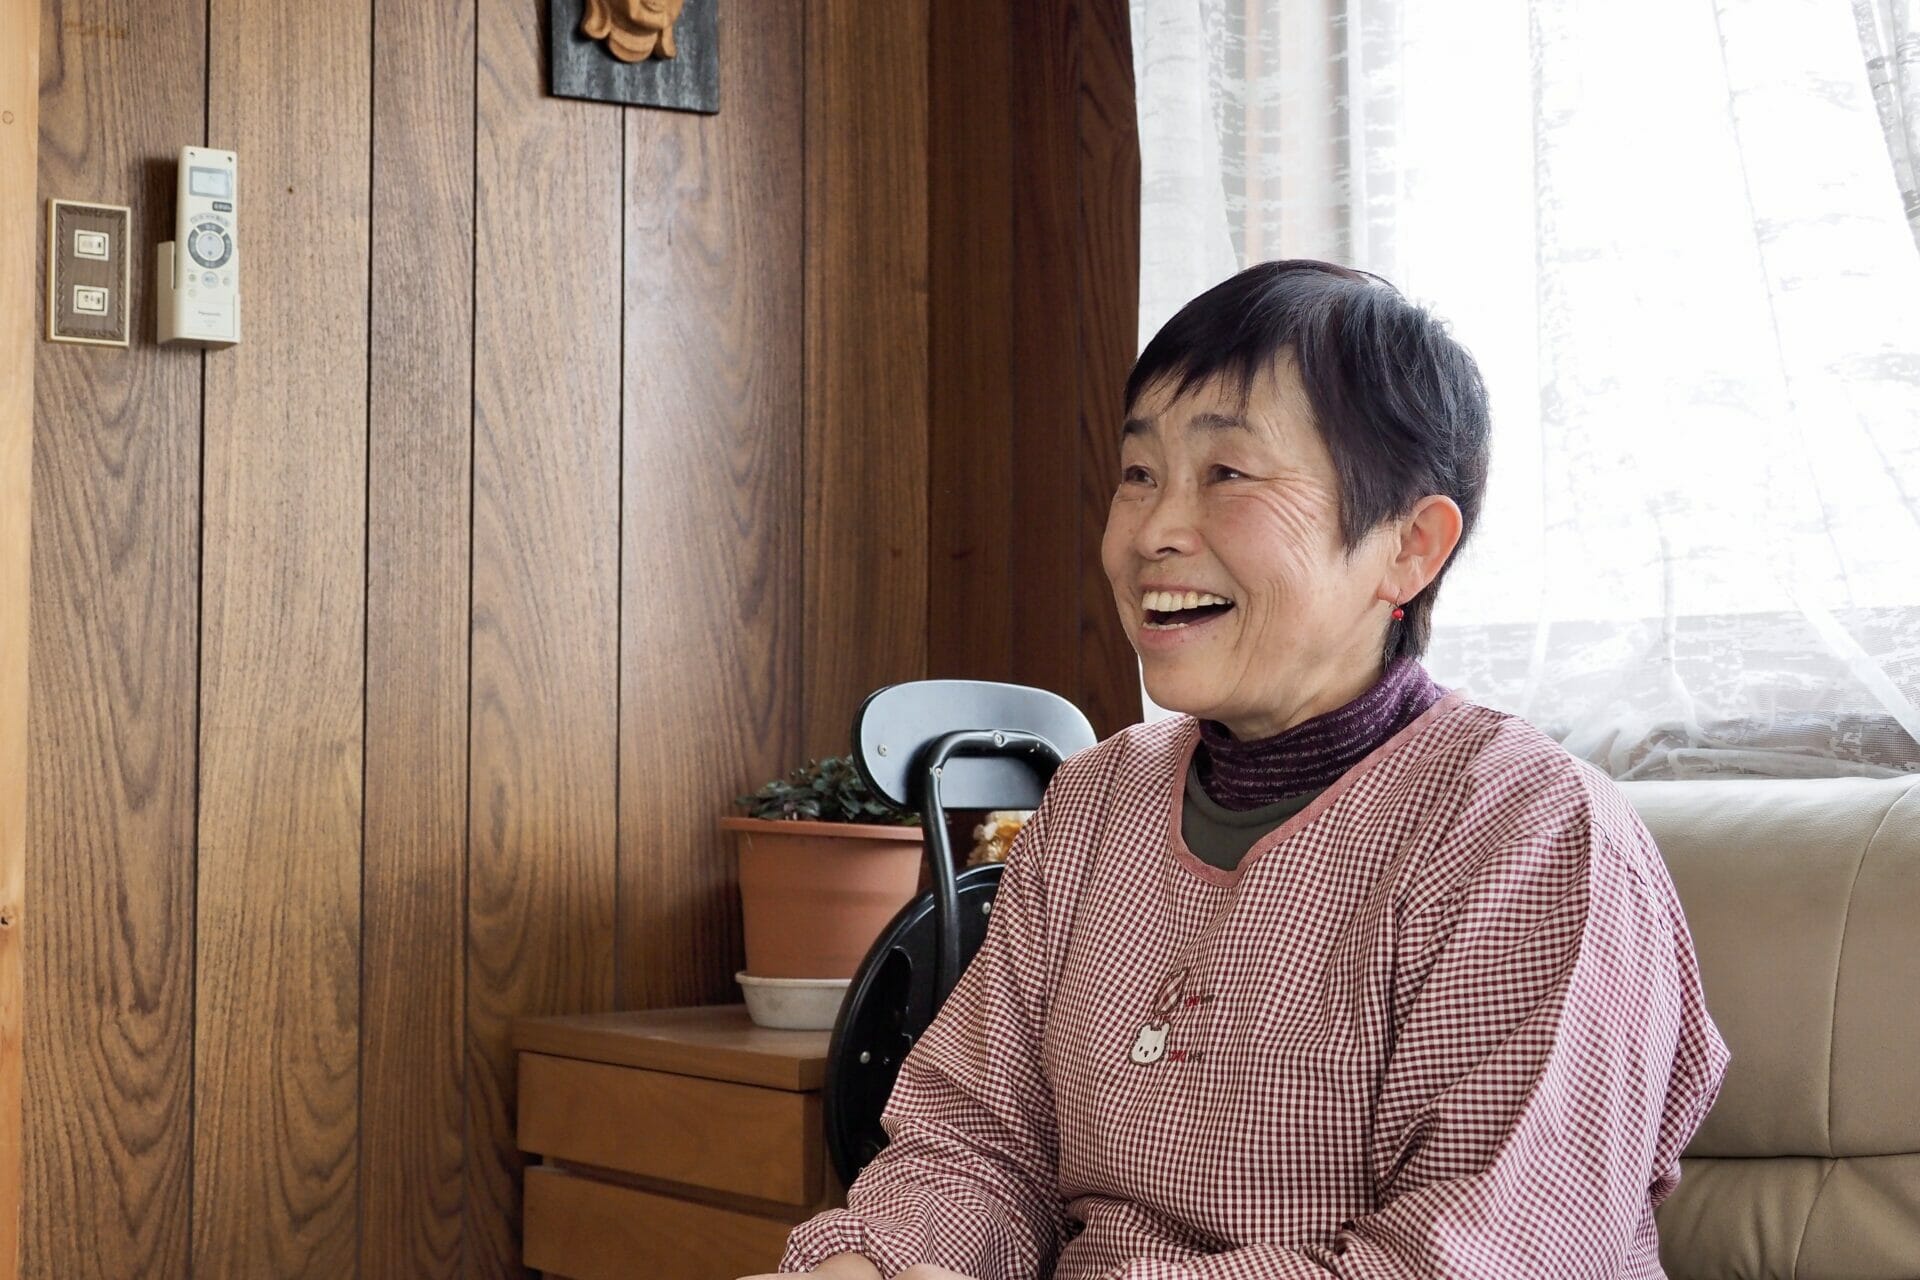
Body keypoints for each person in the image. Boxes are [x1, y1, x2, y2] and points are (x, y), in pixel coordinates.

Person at [745, 260, 1728, 1280]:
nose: (1152, 532)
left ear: (1409, 545)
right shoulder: (1094, 800)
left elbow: (1482, 1258)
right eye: (1138, 473)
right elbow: (977, 1148)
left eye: (1227, 473)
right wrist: (870, 1262)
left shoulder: (1529, 829)